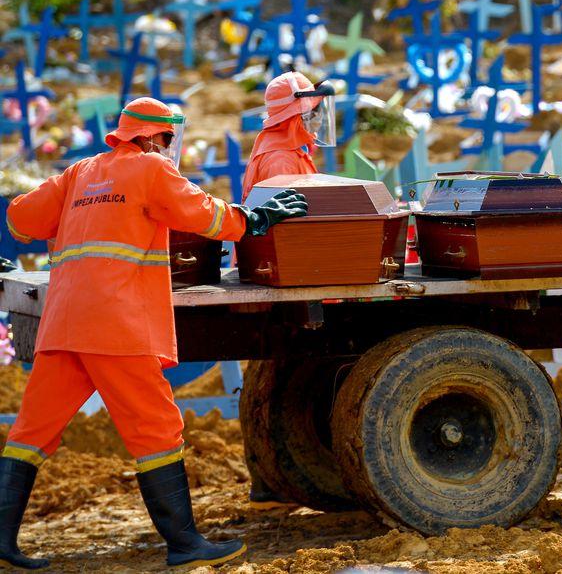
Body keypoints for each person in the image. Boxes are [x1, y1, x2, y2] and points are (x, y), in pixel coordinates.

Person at [0, 98, 308, 570]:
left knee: (30, 433)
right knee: (157, 431)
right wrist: (256, 219)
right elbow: (206, 216)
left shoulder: (80, 171)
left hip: (63, 322)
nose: (169, 149)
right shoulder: (151, 170)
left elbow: (20, 219)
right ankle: (184, 543)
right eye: (168, 140)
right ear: (151, 136)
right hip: (116, 325)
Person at [239, 70, 335, 507]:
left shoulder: (286, 148)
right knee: (282, 375)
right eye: (311, 113)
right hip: (288, 274)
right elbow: (292, 229)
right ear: (294, 113)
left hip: (285, 271)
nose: (316, 122)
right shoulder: (280, 159)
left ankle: (267, 479)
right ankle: (268, 479)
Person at [241, 71, 336, 197]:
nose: (319, 116)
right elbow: (285, 214)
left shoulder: (289, 148)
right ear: (296, 116)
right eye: (314, 109)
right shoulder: (281, 162)